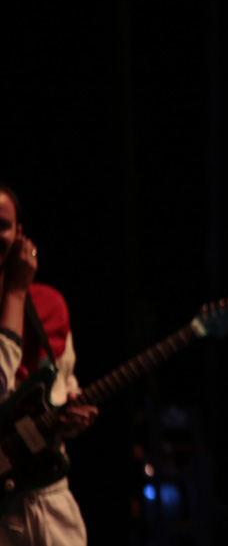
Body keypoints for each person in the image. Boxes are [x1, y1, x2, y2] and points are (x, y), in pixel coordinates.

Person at [0, 183, 98, 545]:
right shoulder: (18, 295)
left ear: (19, 234)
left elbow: (63, 384)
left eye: (2, 226)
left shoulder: (49, 303)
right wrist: (14, 292)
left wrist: (73, 416)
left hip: (51, 505)